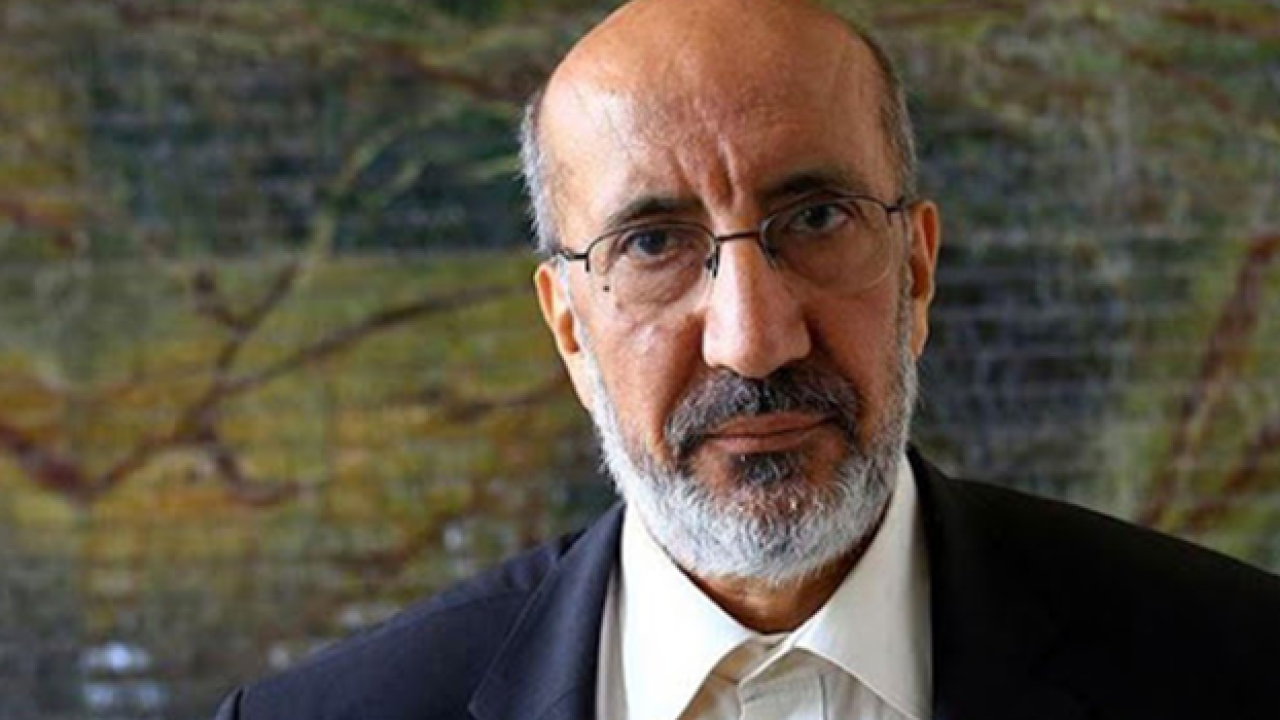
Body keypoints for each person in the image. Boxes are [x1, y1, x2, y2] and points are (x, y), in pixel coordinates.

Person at [214, 0, 1280, 718]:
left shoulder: (1238, 666)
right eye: (651, 244)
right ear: (570, 328)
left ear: (915, 271)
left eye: (815, 218)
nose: (753, 338)